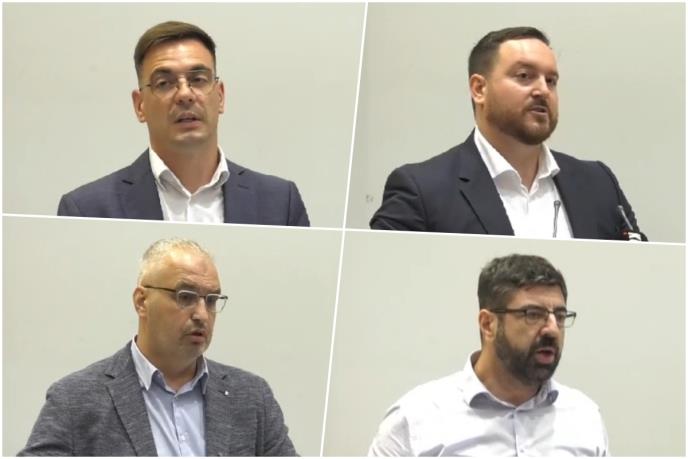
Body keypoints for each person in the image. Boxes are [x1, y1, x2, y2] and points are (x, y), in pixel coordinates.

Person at [19, 238, 297, 456]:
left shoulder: (251, 396)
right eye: (186, 296)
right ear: (142, 301)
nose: (202, 314)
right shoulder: (75, 399)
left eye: (211, 300)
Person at [370, 26, 644, 240]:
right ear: (479, 89)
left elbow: (637, 273)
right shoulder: (422, 191)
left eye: (551, 80)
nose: (542, 90)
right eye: (524, 76)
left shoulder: (599, 184)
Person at [57, 21, 309, 226]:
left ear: (220, 96)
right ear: (140, 105)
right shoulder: (88, 210)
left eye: (198, 79)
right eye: (164, 83)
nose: (185, 94)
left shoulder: (279, 204)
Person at [369, 254, 608, 456]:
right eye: (533, 314)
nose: (552, 329)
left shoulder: (584, 417)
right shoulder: (415, 419)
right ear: (488, 324)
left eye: (560, 316)